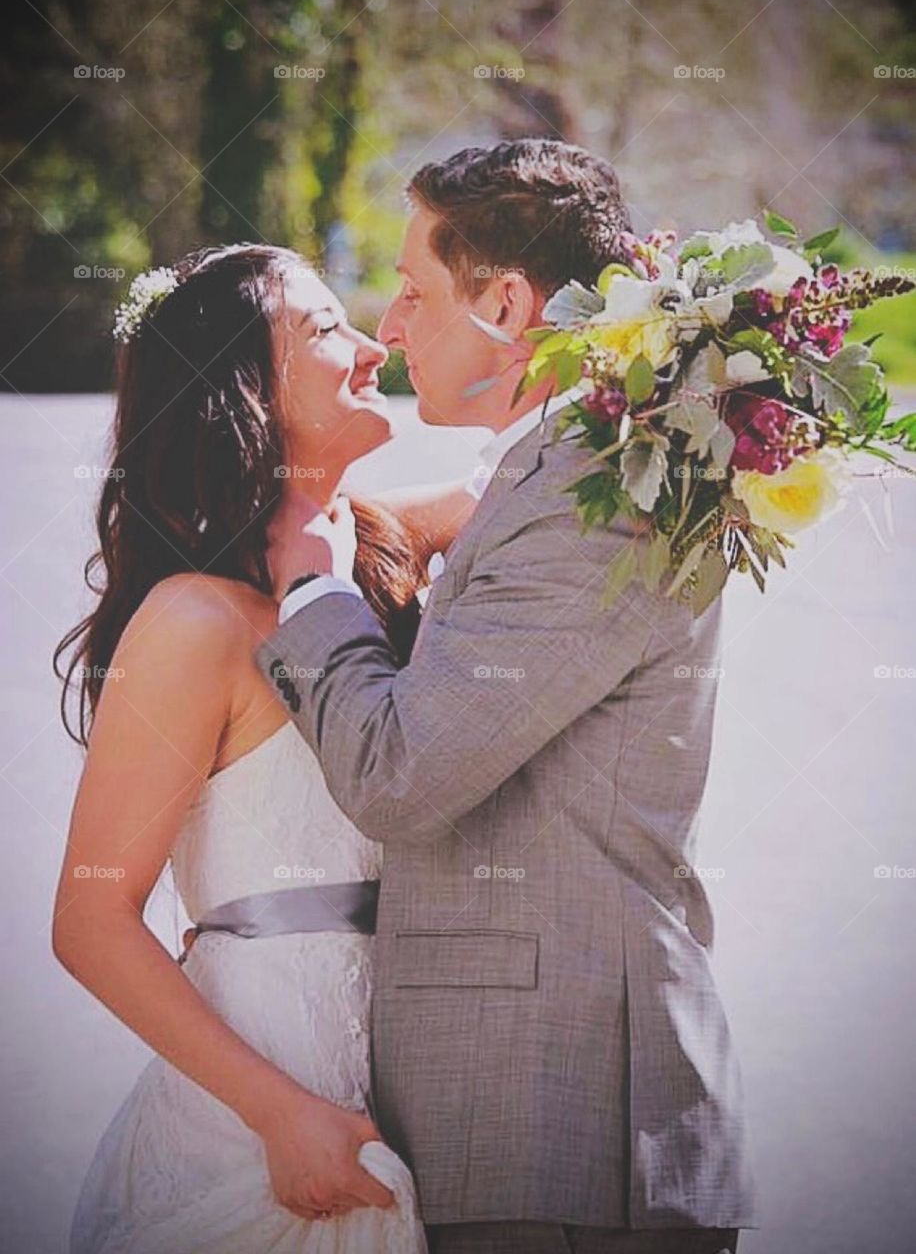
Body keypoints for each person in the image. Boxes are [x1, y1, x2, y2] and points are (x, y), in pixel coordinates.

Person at [258, 139, 759, 1254]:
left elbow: (401, 772)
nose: (388, 327)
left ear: (503, 300)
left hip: (562, 1119)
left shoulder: (590, 503)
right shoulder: (558, 472)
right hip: (534, 1120)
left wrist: (310, 588)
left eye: (412, 289)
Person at [52, 242, 469, 1252]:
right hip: (259, 1128)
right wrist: (280, 1112)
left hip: (418, 1104)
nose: (374, 347)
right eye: (328, 328)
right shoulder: (195, 620)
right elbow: (91, 918)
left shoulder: (377, 550)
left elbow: (535, 482)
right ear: (238, 386)